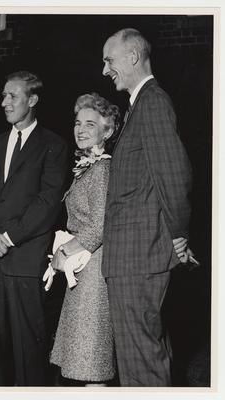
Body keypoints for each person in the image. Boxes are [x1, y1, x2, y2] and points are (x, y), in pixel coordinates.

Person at [101, 28, 196, 386]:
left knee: (142, 366)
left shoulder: (153, 102)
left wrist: (179, 236)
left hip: (139, 257)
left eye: (109, 60)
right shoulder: (139, 106)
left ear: (132, 57)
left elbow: (174, 175)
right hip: (134, 258)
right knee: (144, 358)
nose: (105, 70)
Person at [0, 70, 69, 386]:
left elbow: (47, 202)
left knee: (28, 352)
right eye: (3, 95)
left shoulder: (54, 145)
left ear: (32, 99)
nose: (4, 102)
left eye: (13, 96)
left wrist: (6, 238)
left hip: (24, 261)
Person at [47, 93, 120, 386]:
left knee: (91, 359)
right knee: (85, 358)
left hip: (94, 271)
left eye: (90, 124)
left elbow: (100, 226)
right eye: (78, 123)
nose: (81, 130)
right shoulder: (89, 166)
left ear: (108, 130)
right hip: (84, 269)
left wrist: (64, 250)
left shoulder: (102, 168)